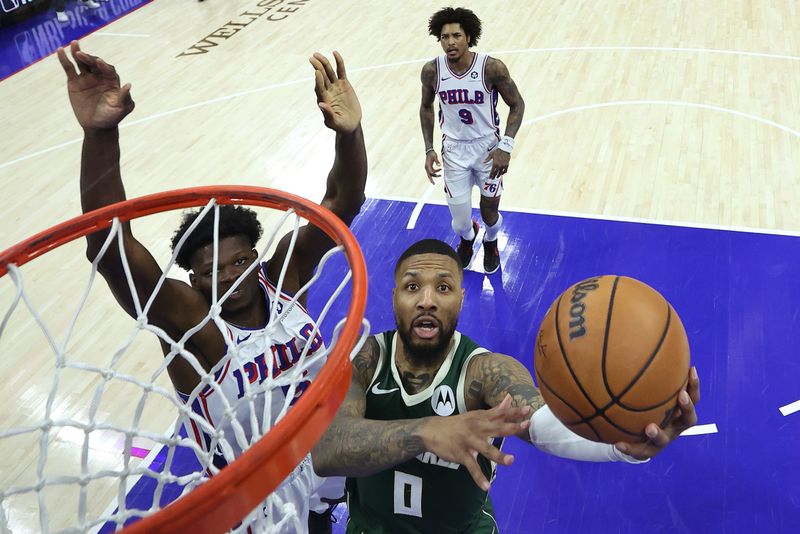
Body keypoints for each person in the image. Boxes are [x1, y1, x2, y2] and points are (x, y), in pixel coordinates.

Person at [56, 41, 366, 533]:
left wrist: (349, 135)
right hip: (255, 491)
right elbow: (110, 250)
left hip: (320, 445)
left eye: (239, 261)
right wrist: (101, 135)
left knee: (333, 505)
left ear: (256, 257)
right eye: (212, 271)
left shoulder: (284, 275)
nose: (229, 277)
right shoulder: (194, 326)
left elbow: (342, 200)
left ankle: (327, 508)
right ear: (192, 280)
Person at [312, 239, 700, 533]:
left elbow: (539, 424)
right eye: (412, 287)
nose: (427, 301)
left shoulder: (485, 371)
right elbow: (327, 450)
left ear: (462, 299)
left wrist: (622, 448)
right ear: (394, 296)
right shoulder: (363, 357)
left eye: (443, 288)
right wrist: (426, 431)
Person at [419, 7, 526, 275]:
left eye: (456, 35)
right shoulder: (432, 70)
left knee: (490, 212)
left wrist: (506, 146)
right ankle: (468, 237)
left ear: (469, 37)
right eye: (445, 37)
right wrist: (429, 148)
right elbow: (426, 107)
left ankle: (490, 241)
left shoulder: (491, 68)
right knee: (460, 218)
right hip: (453, 150)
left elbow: (517, 104)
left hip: (488, 150)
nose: (450, 42)